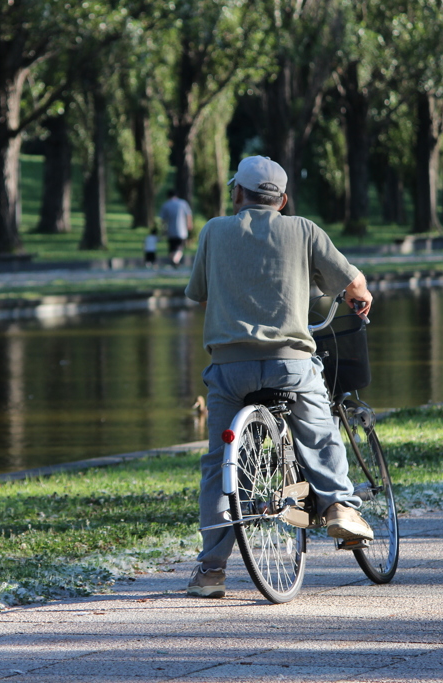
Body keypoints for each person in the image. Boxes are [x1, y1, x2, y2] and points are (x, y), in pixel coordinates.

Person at [183, 155, 374, 599]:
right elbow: (353, 282)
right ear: (283, 200)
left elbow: (197, 293)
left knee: (218, 465)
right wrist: (359, 298)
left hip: (229, 369)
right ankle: (340, 506)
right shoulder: (303, 230)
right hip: (290, 362)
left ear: (237, 195)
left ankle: (211, 571)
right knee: (320, 429)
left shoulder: (213, 230)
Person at [159, 189, 193, 266]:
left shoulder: (166, 205)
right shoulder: (183, 203)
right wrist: (189, 224)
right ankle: (175, 260)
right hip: (182, 230)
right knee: (180, 248)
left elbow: (163, 220)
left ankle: (173, 261)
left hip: (170, 230)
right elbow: (188, 214)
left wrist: (163, 230)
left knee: (172, 248)